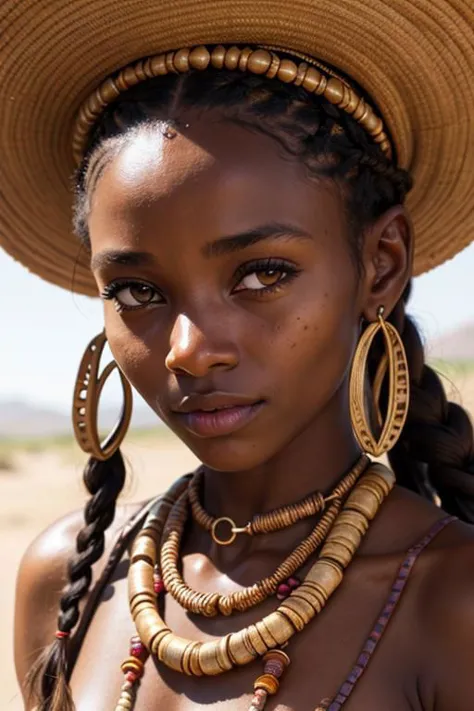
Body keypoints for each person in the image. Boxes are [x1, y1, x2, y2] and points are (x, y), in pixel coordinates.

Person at [2, 1, 474, 710]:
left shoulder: (452, 599)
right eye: (136, 289)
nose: (189, 351)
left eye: (261, 275)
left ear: (380, 264)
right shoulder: (70, 576)